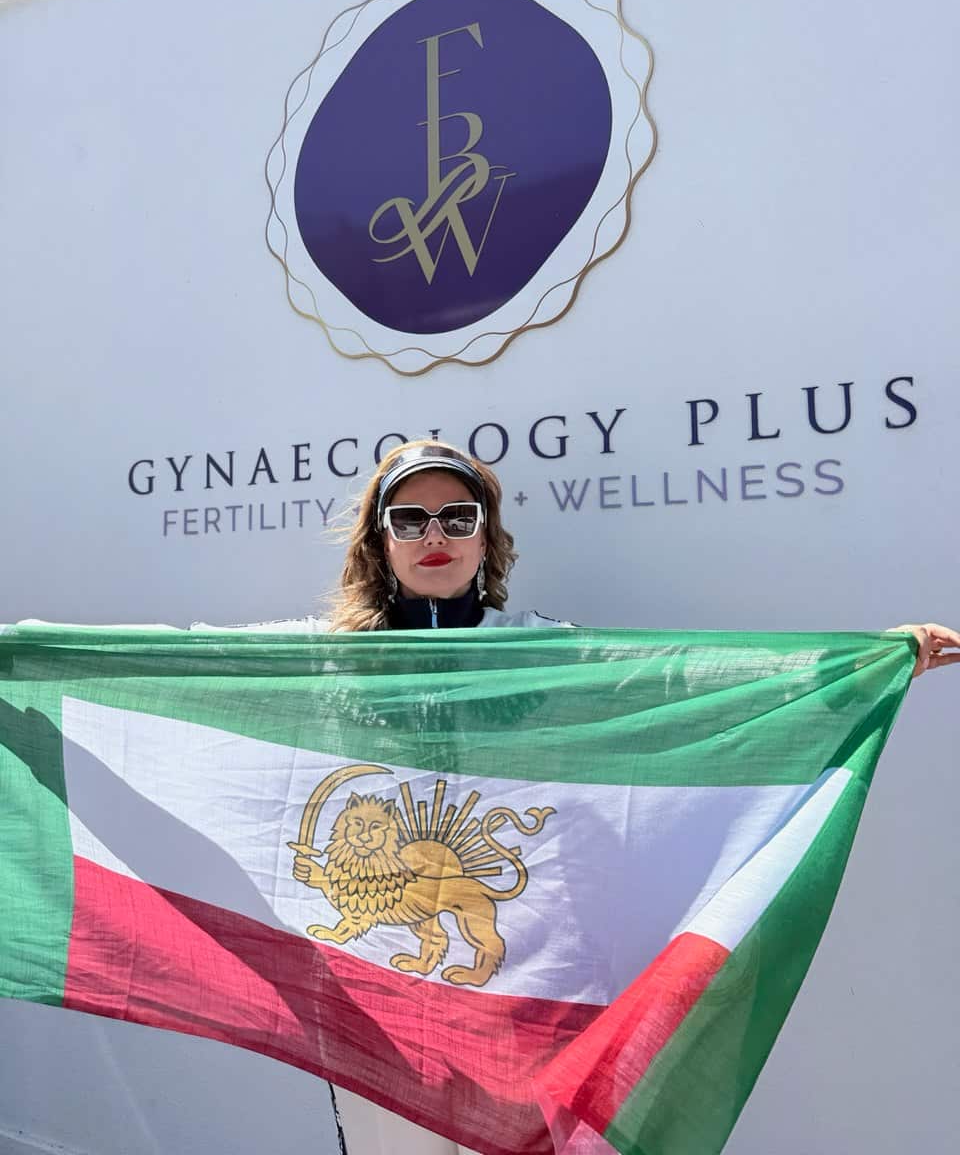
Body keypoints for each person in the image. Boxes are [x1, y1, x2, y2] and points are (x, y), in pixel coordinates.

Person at [233, 438, 957, 1155]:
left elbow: (687, 682)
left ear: (486, 535)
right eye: (410, 519)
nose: (434, 536)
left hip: (514, 974)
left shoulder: (543, 652)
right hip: (378, 982)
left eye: (457, 516)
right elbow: (203, 660)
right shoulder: (326, 660)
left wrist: (856, 666)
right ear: (377, 541)